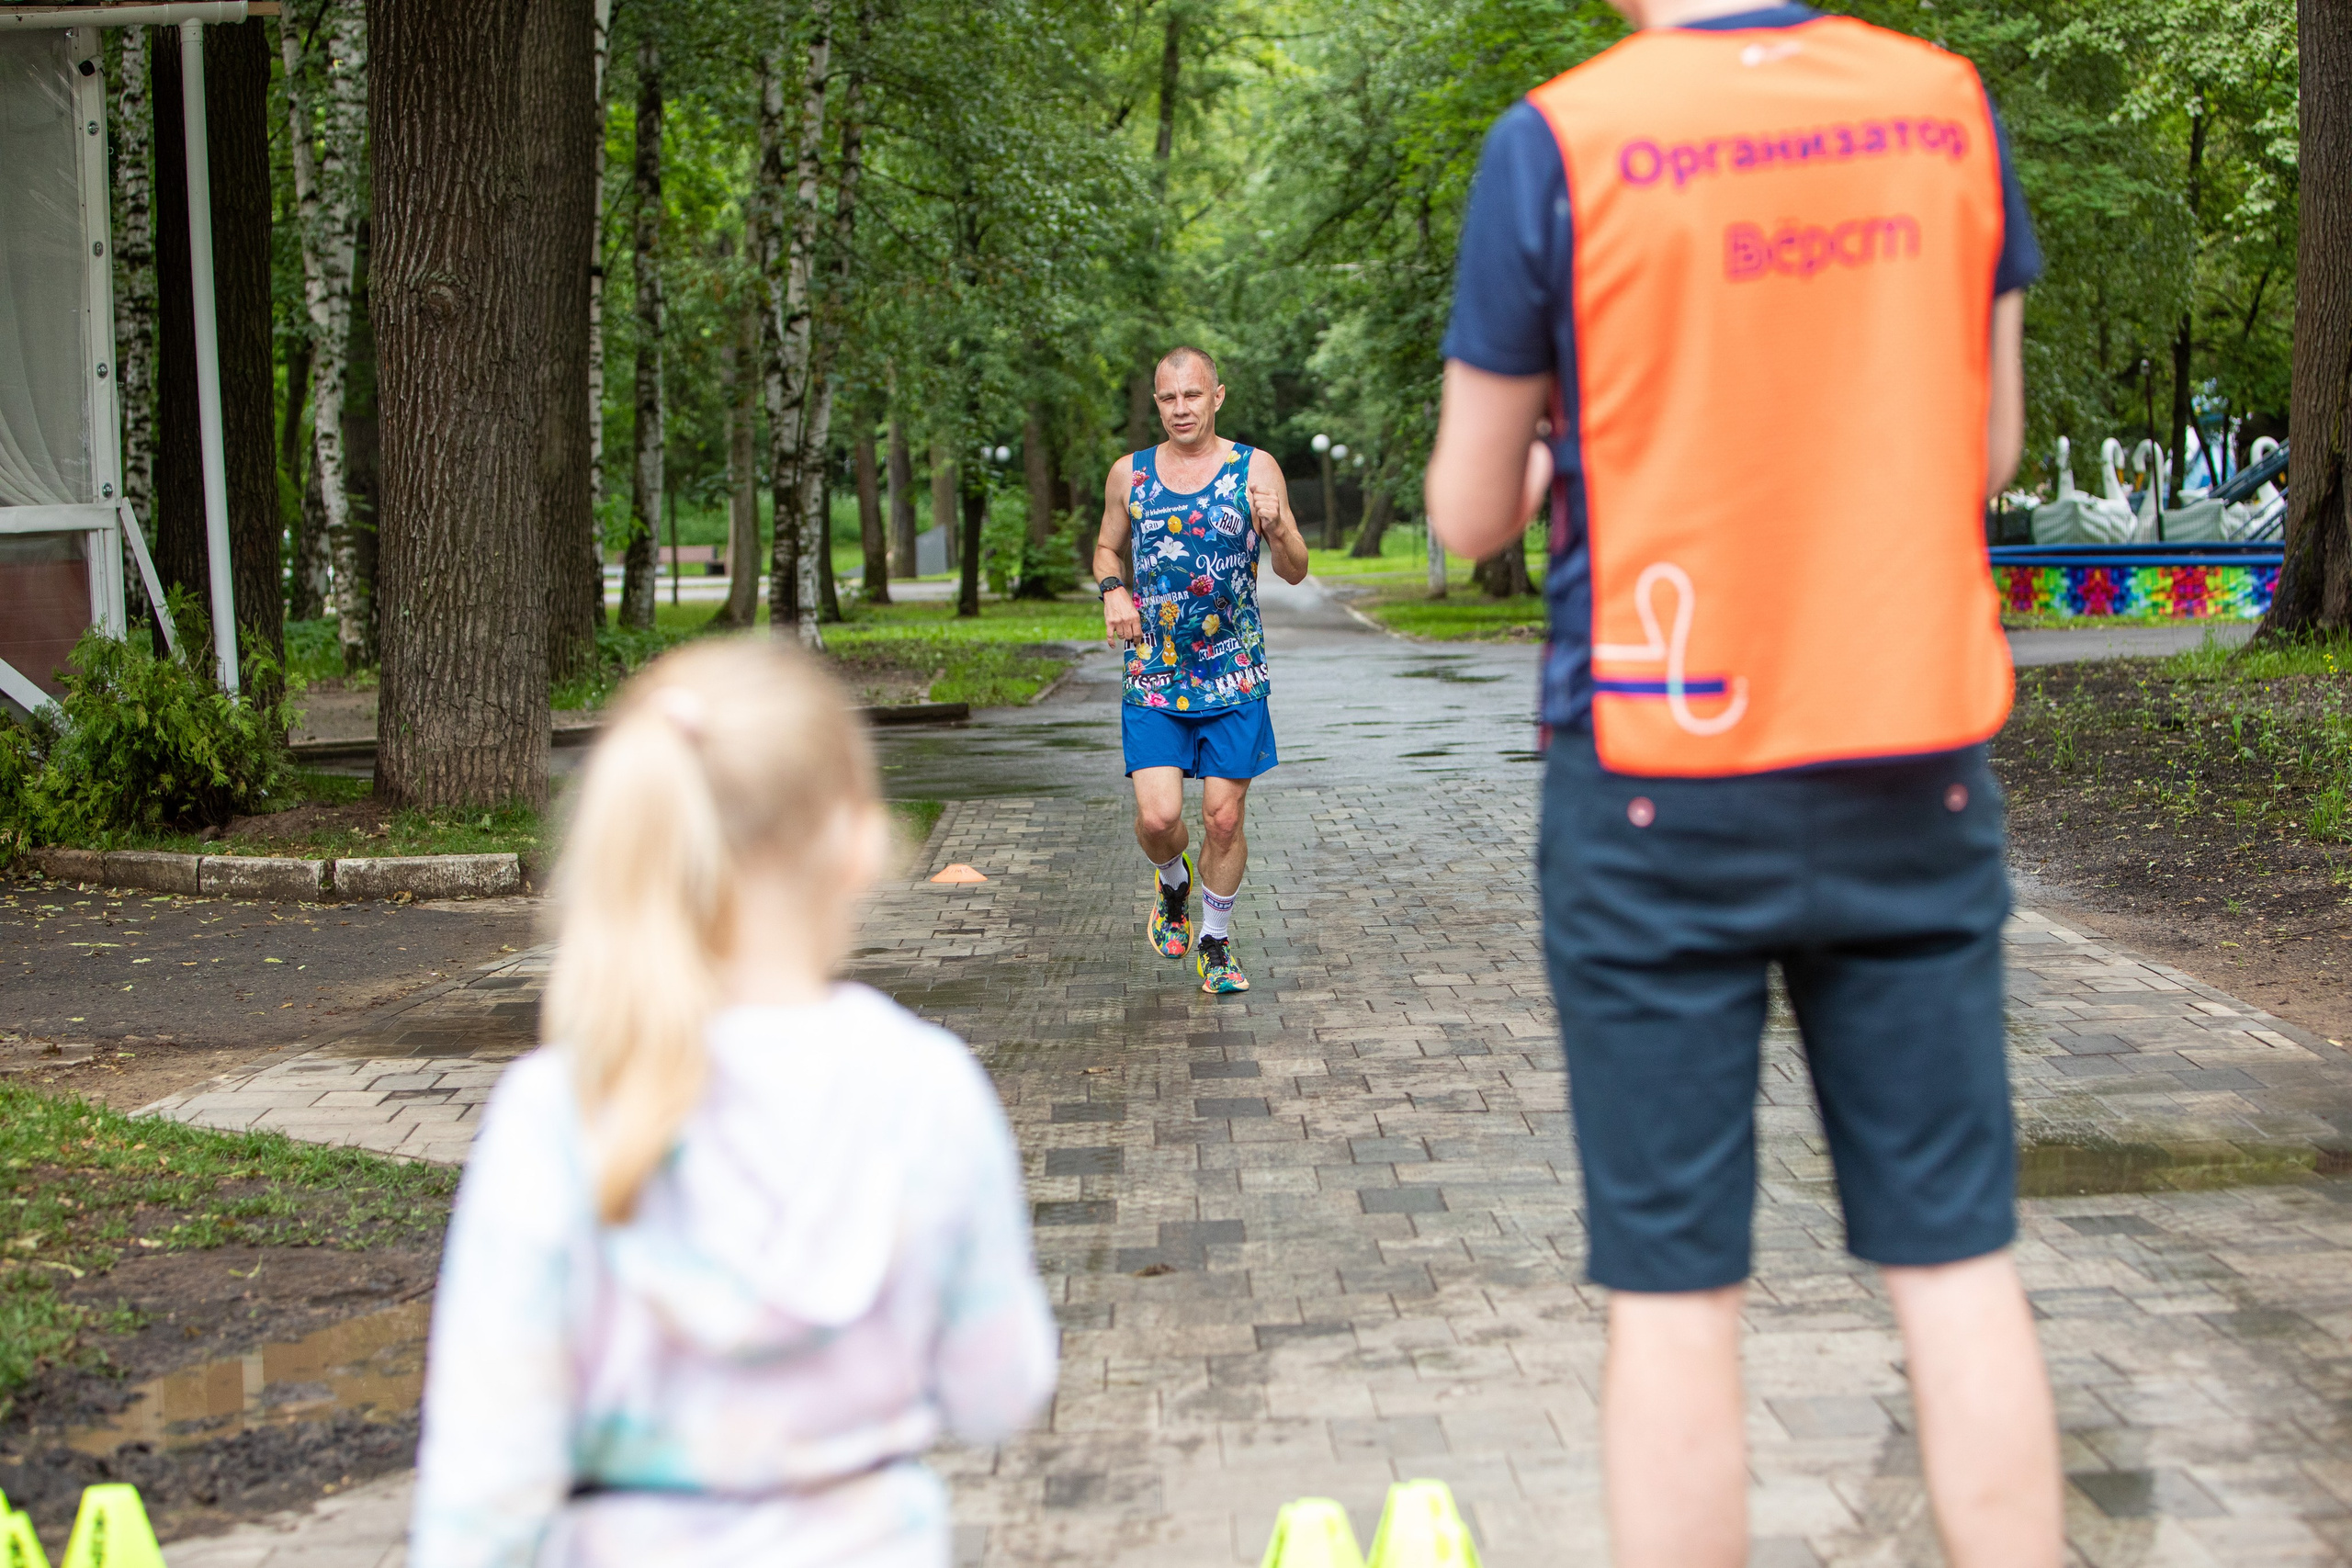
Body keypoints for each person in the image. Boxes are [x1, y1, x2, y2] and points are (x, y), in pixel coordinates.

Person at [1423, 1, 2062, 1564]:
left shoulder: (1558, 143)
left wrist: (1566, 450)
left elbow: (1463, 514)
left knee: (1673, 1291)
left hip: (1657, 768)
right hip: (1907, 749)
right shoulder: (1944, 106)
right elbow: (1984, 453)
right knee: (1956, 1259)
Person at [409, 640, 1057, 1568]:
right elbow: (999, 1392)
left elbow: (488, 1476)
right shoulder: (924, 1087)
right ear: (859, 843)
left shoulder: (558, 1111)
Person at [1094, 345, 1309, 994]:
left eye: (1193, 395)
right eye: (1168, 397)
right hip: (1156, 674)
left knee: (1223, 818)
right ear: (1156, 402)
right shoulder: (1129, 475)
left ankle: (1214, 942)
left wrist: (1276, 530)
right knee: (1159, 819)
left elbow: (1296, 568)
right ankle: (1173, 882)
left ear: (1217, 396)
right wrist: (1112, 587)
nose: (1181, 408)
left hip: (1234, 672)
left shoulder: (1255, 468)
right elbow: (1108, 545)